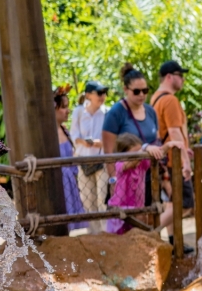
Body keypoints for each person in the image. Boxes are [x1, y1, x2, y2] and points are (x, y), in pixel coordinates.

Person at [101, 64, 172, 232]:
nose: (142, 95)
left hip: (149, 177)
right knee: (127, 226)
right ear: (126, 89)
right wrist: (113, 181)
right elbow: (109, 152)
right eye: (137, 91)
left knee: (150, 221)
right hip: (125, 180)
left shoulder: (151, 112)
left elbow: (156, 142)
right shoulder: (115, 113)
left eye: (145, 91)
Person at [150, 60, 194, 209]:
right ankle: (159, 225)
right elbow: (174, 132)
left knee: (173, 203)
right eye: (180, 75)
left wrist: (185, 150)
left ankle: (166, 226)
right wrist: (185, 161)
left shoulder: (156, 98)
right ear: (169, 77)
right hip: (173, 161)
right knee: (184, 205)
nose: (183, 79)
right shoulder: (170, 100)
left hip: (165, 159)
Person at [70, 80, 109, 220]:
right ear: (88, 95)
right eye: (99, 92)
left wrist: (100, 143)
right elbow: (73, 134)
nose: (102, 96)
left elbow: (112, 138)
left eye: (104, 92)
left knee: (103, 198)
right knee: (88, 201)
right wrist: (83, 142)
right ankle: (93, 231)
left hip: (102, 160)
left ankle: (105, 230)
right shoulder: (78, 112)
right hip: (83, 160)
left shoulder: (108, 112)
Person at [53, 86, 86, 233]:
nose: (68, 110)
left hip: (70, 182)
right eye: (64, 107)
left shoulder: (64, 130)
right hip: (57, 185)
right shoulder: (47, 134)